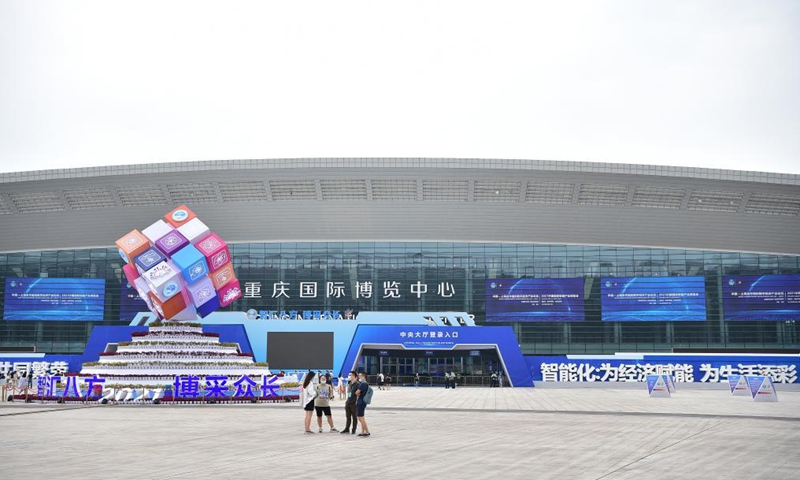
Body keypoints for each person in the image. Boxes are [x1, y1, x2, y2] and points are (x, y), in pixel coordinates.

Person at [340, 371, 359, 435]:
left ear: (355, 377)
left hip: (354, 402)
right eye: (350, 375)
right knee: (348, 416)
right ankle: (347, 428)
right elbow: (348, 392)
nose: (350, 376)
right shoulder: (350, 383)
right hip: (348, 401)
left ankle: (354, 429)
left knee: (354, 417)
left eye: (351, 375)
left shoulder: (357, 384)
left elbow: (359, 393)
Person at [355, 371, 371, 437]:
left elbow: (357, 392)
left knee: (360, 418)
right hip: (363, 402)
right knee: (362, 417)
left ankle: (367, 432)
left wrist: (358, 394)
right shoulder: (366, 384)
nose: (359, 377)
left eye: (360, 375)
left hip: (361, 402)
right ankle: (363, 431)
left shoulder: (363, 384)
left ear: (363, 376)